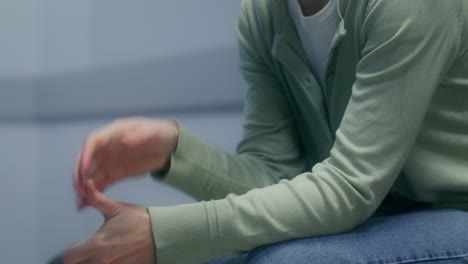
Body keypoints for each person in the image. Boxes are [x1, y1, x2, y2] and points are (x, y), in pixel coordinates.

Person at [63, 0, 468, 263]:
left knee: (286, 262)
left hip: (454, 213)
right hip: (379, 215)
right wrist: (175, 153)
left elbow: (348, 188)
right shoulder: (263, 15)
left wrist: (161, 234)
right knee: (217, 256)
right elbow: (275, 176)